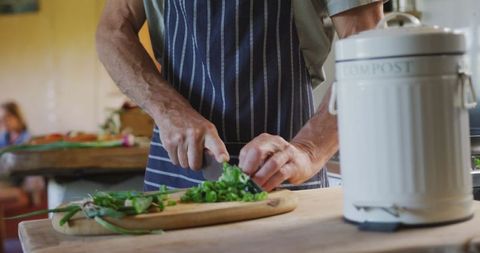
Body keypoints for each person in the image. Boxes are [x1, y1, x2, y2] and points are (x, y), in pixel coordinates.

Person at [96, 0, 384, 191]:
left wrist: (309, 150)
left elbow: (370, 47)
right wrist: (167, 110)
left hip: (283, 169)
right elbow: (112, 30)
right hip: (175, 170)